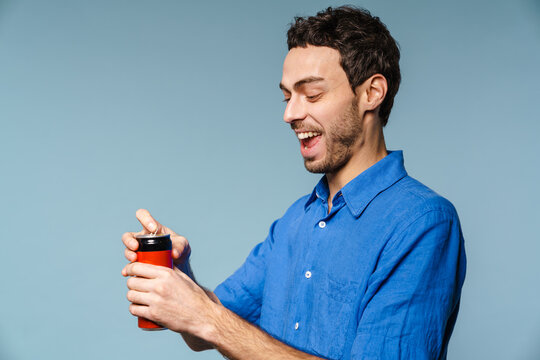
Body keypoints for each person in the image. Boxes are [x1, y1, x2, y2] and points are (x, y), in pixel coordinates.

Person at [121, 6, 466, 360]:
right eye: (287, 97)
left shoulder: (423, 223)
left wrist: (207, 317)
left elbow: (213, 323)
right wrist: (183, 285)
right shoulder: (294, 221)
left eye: (312, 95)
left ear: (372, 93)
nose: (290, 114)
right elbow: (206, 331)